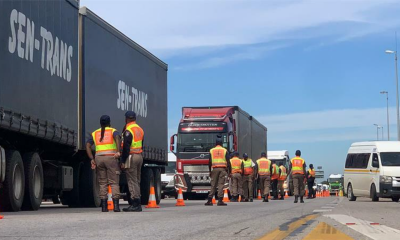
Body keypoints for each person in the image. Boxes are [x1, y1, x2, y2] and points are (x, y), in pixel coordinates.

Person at [86, 115, 121, 212]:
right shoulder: (113, 131)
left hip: (99, 159)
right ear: (109, 122)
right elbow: (117, 138)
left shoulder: (95, 133)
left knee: (102, 183)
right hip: (111, 158)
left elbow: (88, 145)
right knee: (114, 182)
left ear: (100, 123)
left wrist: (91, 158)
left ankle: (104, 207)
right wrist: (118, 151)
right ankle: (116, 206)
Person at [120, 111, 144, 212]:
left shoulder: (128, 130)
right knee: (137, 180)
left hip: (132, 156)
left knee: (131, 180)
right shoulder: (140, 129)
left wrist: (122, 160)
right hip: (139, 156)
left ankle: (135, 203)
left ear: (126, 118)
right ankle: (137, 202)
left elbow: (126, 147)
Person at [205, 138, 231, 206]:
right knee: (221, 184)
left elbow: (209, 161)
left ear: (215, 143)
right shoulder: (225, 150)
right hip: (222, 169)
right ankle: (220, 200)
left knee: (213, 185)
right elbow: (228, 162)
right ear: (221, 143)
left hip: (214, 169)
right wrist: (229, 171)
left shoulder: (212, 150)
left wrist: (210, 171)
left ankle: (209, 200)